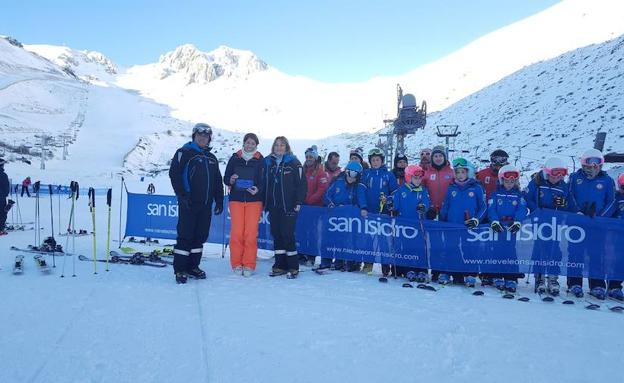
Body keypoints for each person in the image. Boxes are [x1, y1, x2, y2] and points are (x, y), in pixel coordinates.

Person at [169, 123, 224, 284]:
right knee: (185, 236)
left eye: (206, 136)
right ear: (194, 136)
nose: (202, 138)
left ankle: (193, 266)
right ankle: (180, 270)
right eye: (200, 135)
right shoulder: (184, 152)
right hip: (189, 203)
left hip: (206, 205)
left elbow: (217, 182)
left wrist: (219, 200)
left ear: (209, 139)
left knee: (200, 237)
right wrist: (182, 195)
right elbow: (174, 174)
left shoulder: (211, 158)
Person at [567, 148, 615, 300]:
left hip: (597, 224)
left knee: (596, 253)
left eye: (596, 165)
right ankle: (574, 282)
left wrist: (600, 216)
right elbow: (569, 195)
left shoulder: (607, 181)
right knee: (575, 253)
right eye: (589, 165)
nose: (593, 168)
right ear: (583, 165)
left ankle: (597, 284)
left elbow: (612, 201)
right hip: (578, 222)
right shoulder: (575, 178)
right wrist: (578, 211)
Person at [524, 157, 572, 295]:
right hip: (539, 221)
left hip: (555, 222)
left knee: (554, 249)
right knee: (539, 248)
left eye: (561, 174)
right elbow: (527, 198)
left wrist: (563, 204)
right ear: (547, 172)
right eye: (554, 173)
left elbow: (569, 204)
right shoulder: (537, 182)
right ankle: (539, 278)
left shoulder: (563, 186)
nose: (557, 177)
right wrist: (536, 210)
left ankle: (553, 278)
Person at [264, 136, 307, 278]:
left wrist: (298, 202)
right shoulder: (268, 162)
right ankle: (279, 265)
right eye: (276, 145)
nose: (279, 148)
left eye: (282, 145)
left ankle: (293, 267)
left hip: (289, 206)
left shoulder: (294, 163)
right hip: (274, 206)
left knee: (288, 236)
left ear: (287, 147)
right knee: (277, 236)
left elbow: (302, 185)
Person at [438, 158, 487, 285]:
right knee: (450, 248)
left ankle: (470, 273)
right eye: (457, 172)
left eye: (463, 172)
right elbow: (446, 205)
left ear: (468, 172)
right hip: (452, 225)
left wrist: (476, 220)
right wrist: (442, 217)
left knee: (469, 249)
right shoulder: (452, 188)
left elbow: (483, 206)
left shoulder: (476, 187)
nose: (460, 175)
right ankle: (448, 272)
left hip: (468, 225)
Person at [223, 133, 264, 277]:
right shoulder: (235, 158)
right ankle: (236, 263)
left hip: (254, 200)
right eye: (248, 142)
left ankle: (249, 264)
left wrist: (258, 189)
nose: (250, 145)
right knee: (237, 232)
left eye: (253, 143)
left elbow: (264, 181)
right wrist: (231, 180)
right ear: (244, 143)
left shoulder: (260, 160)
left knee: (251, 233)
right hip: (236, 199)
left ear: (256, 145)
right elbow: (226, 178)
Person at [487, 164, 528, 293]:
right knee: (497, 250)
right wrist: (494, 221)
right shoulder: (496, 194)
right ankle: (497, 275)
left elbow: (522, 209)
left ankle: (511, 277)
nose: (509, 184)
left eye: (512, 181)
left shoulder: (518, 195)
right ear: (501, 180)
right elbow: (491, 209)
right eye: (506, 181)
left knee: (510, 251)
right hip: (498, 227)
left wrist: (517, 222)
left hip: (511, 228)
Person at [320, 160, 367, 271]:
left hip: (347, 219)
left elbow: (362, 199)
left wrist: (363, 208)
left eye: (354, 174)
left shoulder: (358, 186)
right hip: (334, 216)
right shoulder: (338, 182)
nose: (351, 177)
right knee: (329, 238)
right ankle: (326, 261)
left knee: (344, 240)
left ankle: (340, 262)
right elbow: (327, 195)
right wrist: (330, 204)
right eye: (349, 173)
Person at [361, 148, 399, 275]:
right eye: (373, 160)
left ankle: (385, 265)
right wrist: (363, 207)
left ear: (382, 161)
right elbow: (361, 192)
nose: (375, 162)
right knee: (367, 238)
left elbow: (394, 193)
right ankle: (368, 263)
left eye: (377, 160)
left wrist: (389, 201)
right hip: (369, 213)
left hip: (384, 213)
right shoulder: (366, 174)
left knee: (384, 240)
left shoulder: (388, 175)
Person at [391, 165, 431, 280]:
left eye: (420, 177)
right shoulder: (401, 190)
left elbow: (426, 202)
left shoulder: (423, 190)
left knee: (420, 247)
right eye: (415, 177)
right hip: (405, 226)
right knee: (407, 247)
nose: (418, 180)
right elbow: (395, 206)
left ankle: (422, 269)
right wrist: (391, 204)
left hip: (419, 225)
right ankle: (409, 269)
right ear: (409, 177)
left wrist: (423, 207)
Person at [300, 145, 330, 266]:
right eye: (307, 156)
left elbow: (322, 190)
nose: (308, 159)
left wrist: (309, 200)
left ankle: (311, 256)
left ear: (315, 158)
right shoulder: (302, 171)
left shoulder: (321, 172)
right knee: (302, 231)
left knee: (313, 232)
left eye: (311, 156)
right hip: (303, 207)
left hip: (315, 208)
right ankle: (301, 254)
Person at [605, 174, 624, 301]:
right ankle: (614, 286)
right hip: (618, 234)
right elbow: (608, 211)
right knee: (617, 260)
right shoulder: (617, 198)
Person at [423, 145, 454, 220]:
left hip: (448, 210)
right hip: (431, 211)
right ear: (432, 158)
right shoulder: (426, 173)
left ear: (444, 158)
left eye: (440, 156)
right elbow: (422, 192)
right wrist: (428, 206)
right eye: (435, 156)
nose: (438, 158)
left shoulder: (452, 173)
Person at [0, 158, 9, 235]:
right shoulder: (3, 175)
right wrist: (5, 194)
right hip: (1, 197)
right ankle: (0, 229)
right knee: (2, 213)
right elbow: (6, 187)